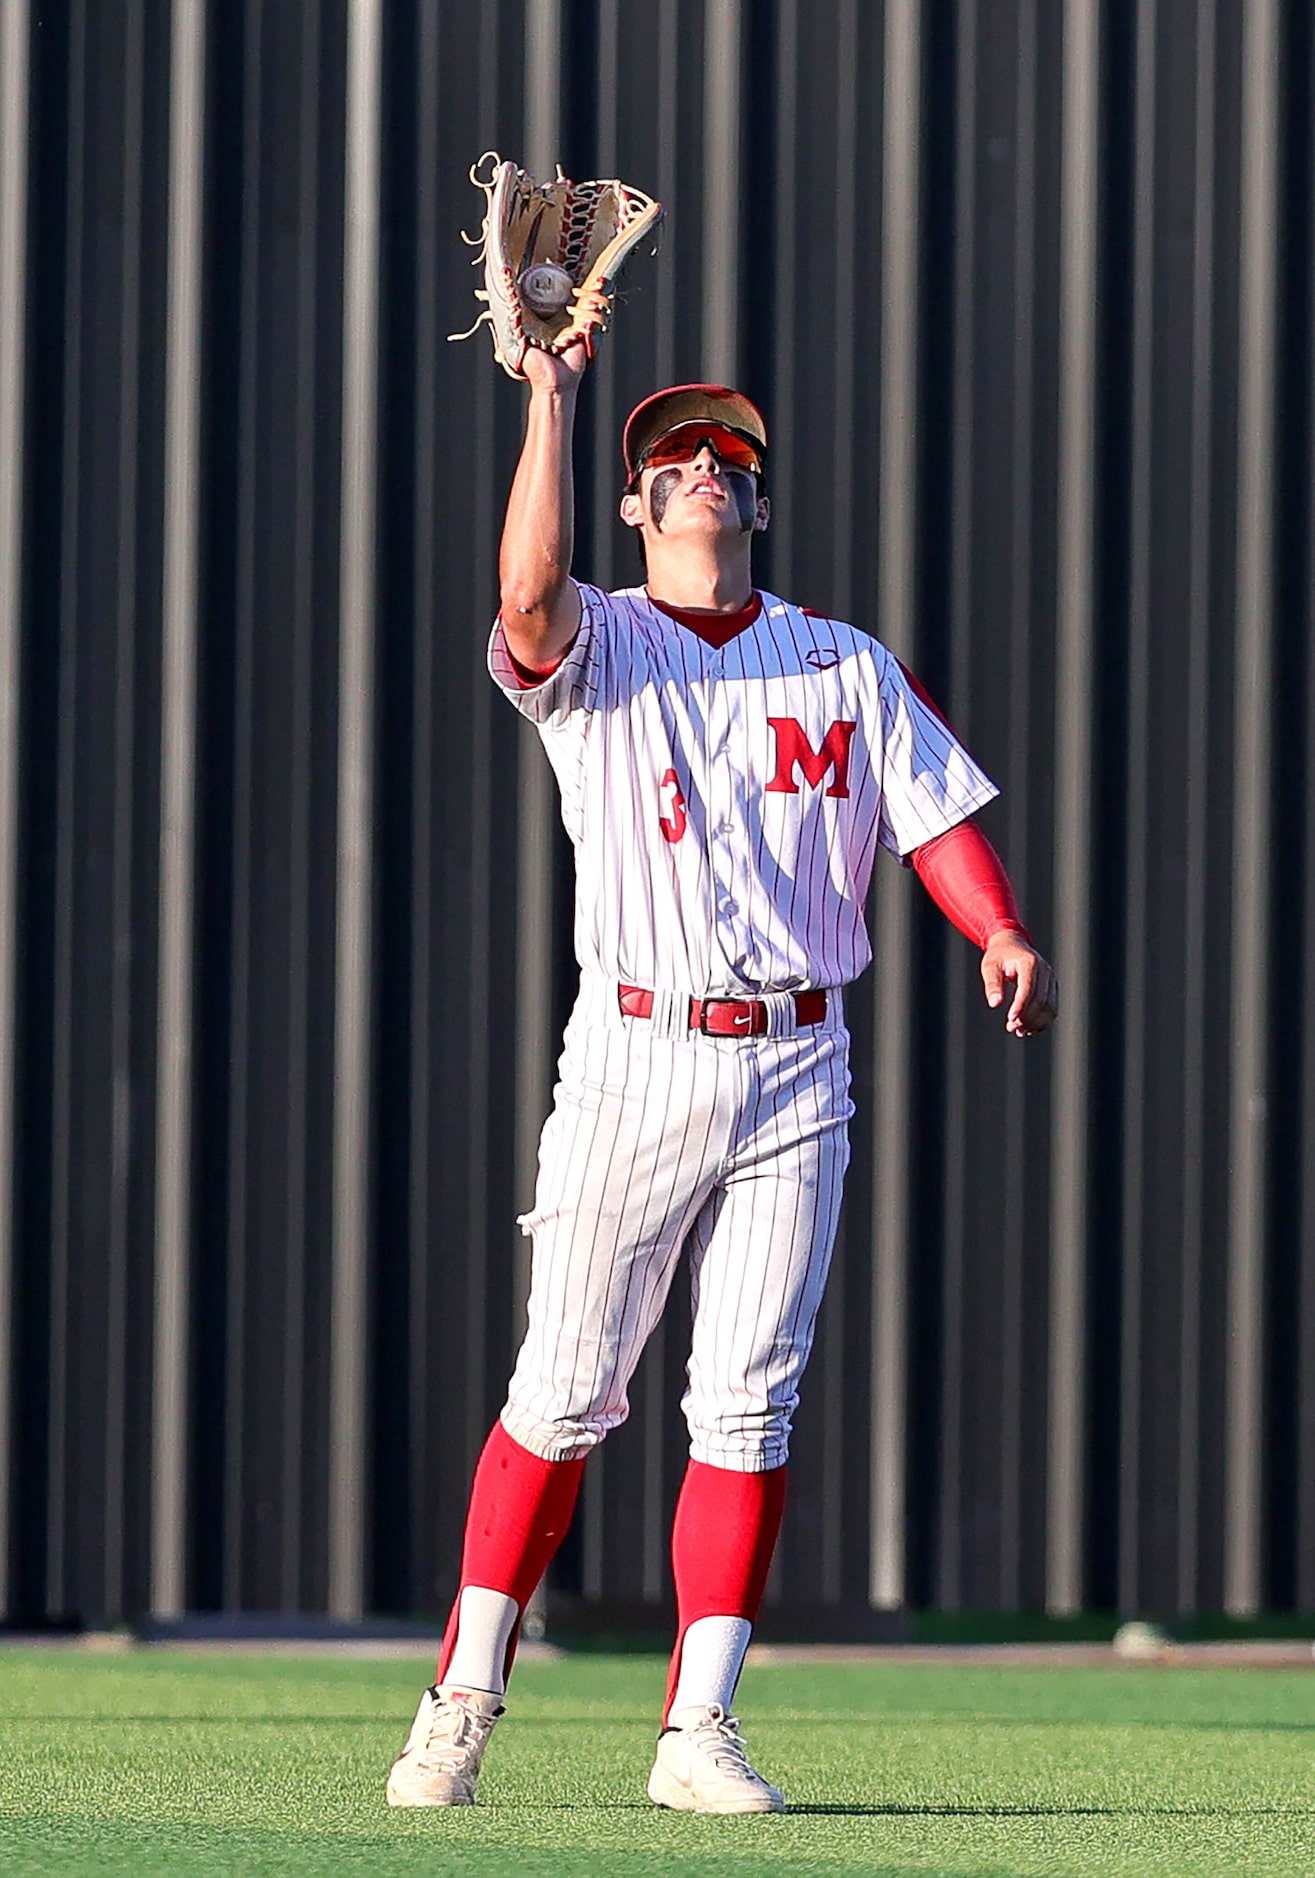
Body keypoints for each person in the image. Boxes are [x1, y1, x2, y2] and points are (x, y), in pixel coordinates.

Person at [386, 341, 1058, 1814]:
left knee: (749, 1404)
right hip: (635, 1048)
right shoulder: (603, 640)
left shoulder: (841, 658)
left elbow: (929, 811)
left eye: (728, 457)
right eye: (677, 459)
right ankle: (463, 1698)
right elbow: (522, 599)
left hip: (801, 1056)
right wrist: (549, 401)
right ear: (635, 506)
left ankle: (699, 1726)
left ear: (759, 496)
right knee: (565, 1390)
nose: (705, 468)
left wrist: (998, 925)